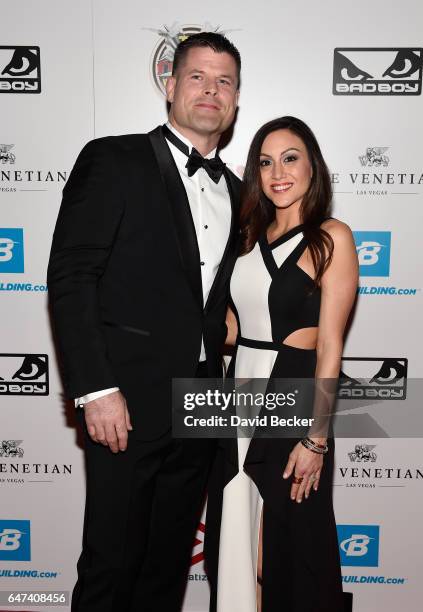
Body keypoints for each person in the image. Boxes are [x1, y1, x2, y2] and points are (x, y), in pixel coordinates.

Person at [47, 32, 241, 612]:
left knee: (166, 572)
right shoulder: (114, 157)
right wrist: (95, 388)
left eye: (225, 81)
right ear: (170, 85)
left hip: (203, 407)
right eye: (198, 77)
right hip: (123, 404)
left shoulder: (238, 189)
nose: (211, 90)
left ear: (235, 100)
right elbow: (73, 275)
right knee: (111, 565)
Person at [204, 116, 358, 612]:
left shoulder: (331, 237)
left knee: (292, 551)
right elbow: (232, 329)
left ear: (313, 166)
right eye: (265, 162)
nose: (278, 172)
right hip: (237, 396)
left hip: (292, 395)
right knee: (234, 542)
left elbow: (331, 345)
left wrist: (317, 438)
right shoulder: (247, 237)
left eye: (290, 158)